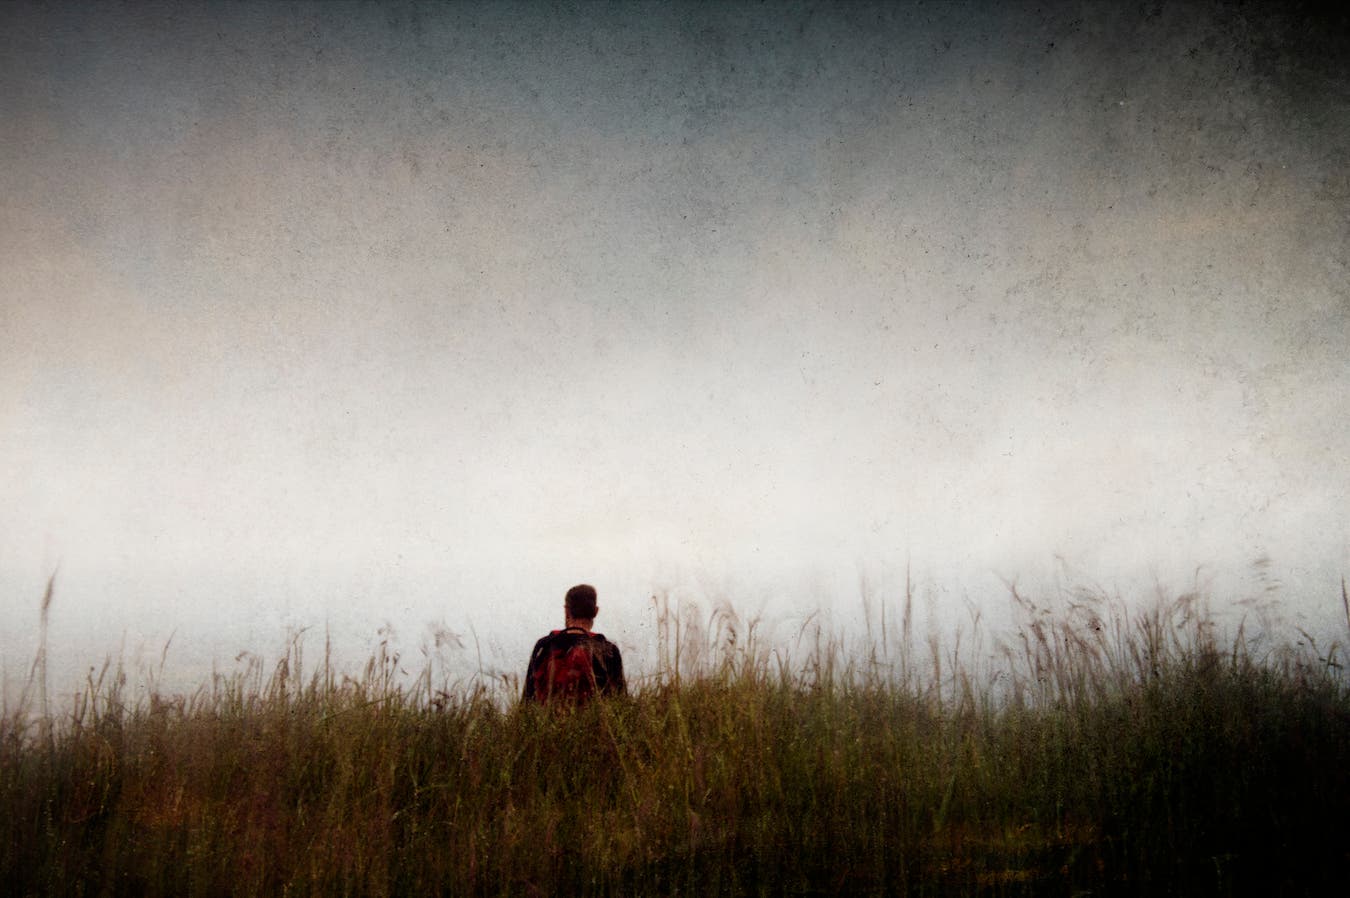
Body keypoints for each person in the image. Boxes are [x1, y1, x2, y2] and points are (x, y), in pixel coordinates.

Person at [522, 583, 625, 704]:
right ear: (595, 612)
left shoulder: (545, 645)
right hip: (592, 716)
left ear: (567, 611)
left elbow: (527, 700)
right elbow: (620, 702)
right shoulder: (608, 649)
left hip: (548, 716)